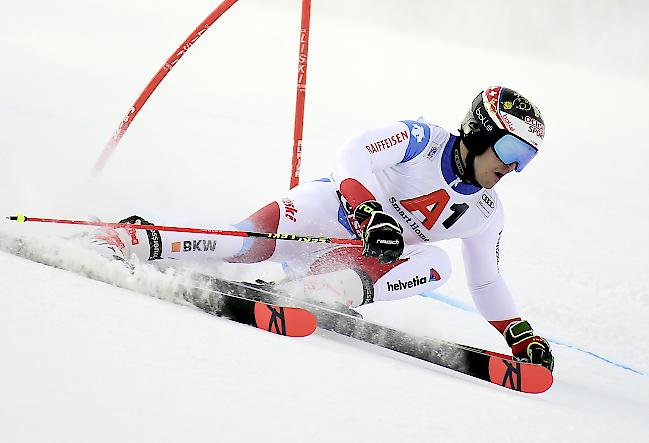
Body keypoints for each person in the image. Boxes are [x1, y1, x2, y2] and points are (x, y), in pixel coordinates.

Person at [91, 86, 554, 371]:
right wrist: (369, 210)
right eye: (512, 149)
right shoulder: (422, 140)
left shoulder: (487, 211)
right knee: (245, 243)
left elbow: (486, 279)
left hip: (355, 263)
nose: (513, 166)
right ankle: (138, 237)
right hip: (325, 213)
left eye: (527, 158)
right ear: (479, 132)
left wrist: (520, 334)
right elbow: (352, 157)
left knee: (436, 263)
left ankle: (319, 293)